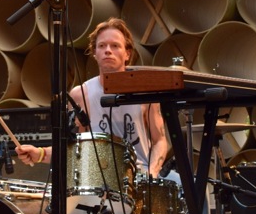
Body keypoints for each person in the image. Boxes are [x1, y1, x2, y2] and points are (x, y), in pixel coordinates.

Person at [16, 18, 168, 176]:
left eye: (115, 46)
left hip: (140, 177)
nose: (108, 50)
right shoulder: (80, 94)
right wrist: (40, 154)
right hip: (98, 179)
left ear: (127, 53)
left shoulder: (146, 91)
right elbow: (76, 147)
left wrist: (152, 173)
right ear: (94, 53)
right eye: (102, 46)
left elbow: (160, 140)